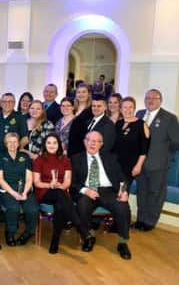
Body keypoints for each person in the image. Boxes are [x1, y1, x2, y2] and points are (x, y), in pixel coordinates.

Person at [70, 131, 132, 259]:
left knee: (122, 207)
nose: (92, 143)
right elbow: (73, 182)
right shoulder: (76, 158)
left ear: (101, 144)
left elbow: (123, 178)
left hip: (108, 191)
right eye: (89, 140)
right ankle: (89, 236)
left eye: (96, 141)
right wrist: (85, 190)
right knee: (82, 205)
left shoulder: (111, 158)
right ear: (84, 142)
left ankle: (122, 242)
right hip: (88, 190)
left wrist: (124, 191)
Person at [33, 134, 89, 254]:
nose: (52, 145)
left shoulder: (65, 160)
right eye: (49, 143)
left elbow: (67, 182)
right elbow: (37, 183)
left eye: (54, 143)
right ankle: (81, 228)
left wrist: (60, 186)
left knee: (60, 205)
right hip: (44, 192)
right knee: (61, 197)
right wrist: (50, 185)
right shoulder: (39, 160)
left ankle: (55, 241)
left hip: (60, 192)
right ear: (44, 145)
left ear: (59, 145)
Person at [135, 89, 179, 231]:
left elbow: (176, 142)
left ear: (160, 100)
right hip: (140, 164)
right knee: (141, 192)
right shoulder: (140, 114)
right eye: (148, 98)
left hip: (158, 165)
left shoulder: (170, 118)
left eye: (154, 98)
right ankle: (140, 219)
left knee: (155, 194)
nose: (151, 100)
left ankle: (150, 222)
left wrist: (164, 156)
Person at [0, 132, 39, 246]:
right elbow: (0, 180)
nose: (12, 144)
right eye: (9, 142)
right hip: (6, 190)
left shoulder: (25, 157)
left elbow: (29, 179)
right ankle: (10, 232)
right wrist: (14, 193)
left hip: (24, 189)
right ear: (5, 144)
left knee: (33, 209)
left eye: (15, 142)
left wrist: (24, 192)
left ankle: (28, 233)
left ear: (19, 143)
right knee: (13, 207)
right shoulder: (0, 156)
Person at [113, 96, 149, 192]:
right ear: (120, 109)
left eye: (130, 107)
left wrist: (138, 166)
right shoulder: (118, 123)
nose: (127, 110)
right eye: (125, 107)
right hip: (116, 165)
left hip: (130, 167)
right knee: (113, 192)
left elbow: (144, 150)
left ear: (134, 109)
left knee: (122, 192)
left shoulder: (142, 125)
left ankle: (123, 205)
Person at [67, 83, 93, 156]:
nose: (81, 94)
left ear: (89, 94)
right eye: (79, 92)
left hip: (82, 149)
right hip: (68, 147)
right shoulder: (71, 108)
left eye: (84, 92)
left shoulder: (91, 111)